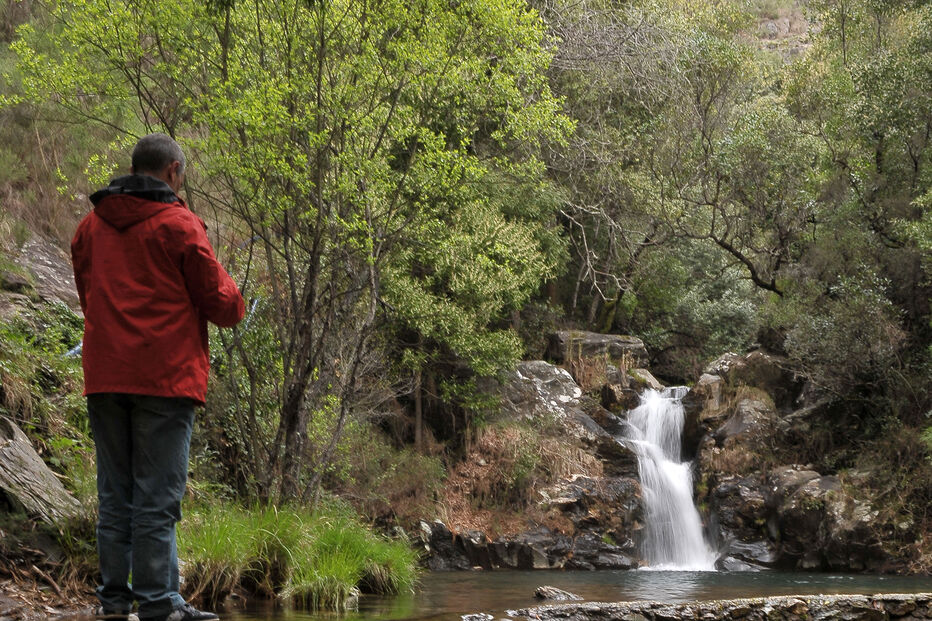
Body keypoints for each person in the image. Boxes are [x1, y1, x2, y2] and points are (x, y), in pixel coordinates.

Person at [71, 133, 245, 621]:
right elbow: (224, 306)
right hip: (165, 379)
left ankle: (114, 602)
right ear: (173, 171)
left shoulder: (90, 227)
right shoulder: (180, 226)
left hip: (105, 375)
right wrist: (237, 292)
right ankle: (158, 604)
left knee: (115, 495)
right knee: (156, 499)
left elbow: (90, 295)